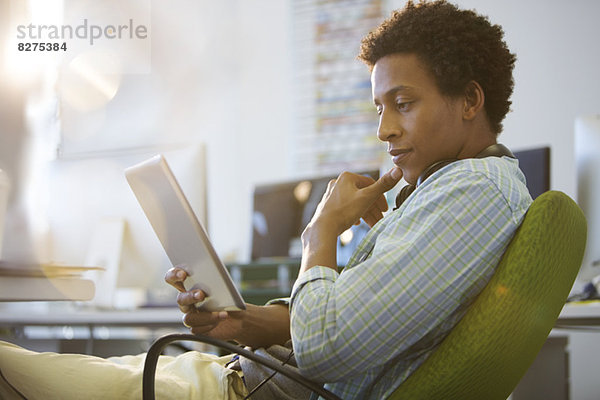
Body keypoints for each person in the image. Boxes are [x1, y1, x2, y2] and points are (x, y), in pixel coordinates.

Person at [0, 1, 532, 399]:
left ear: (470, 100)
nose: (385, 130)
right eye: (378, 108)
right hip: (240, 374)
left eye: (404, 104)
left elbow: (329, 348)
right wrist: (245, 323)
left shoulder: (472, 194)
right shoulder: (448, 190)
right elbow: (352, 325)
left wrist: (320, 232)